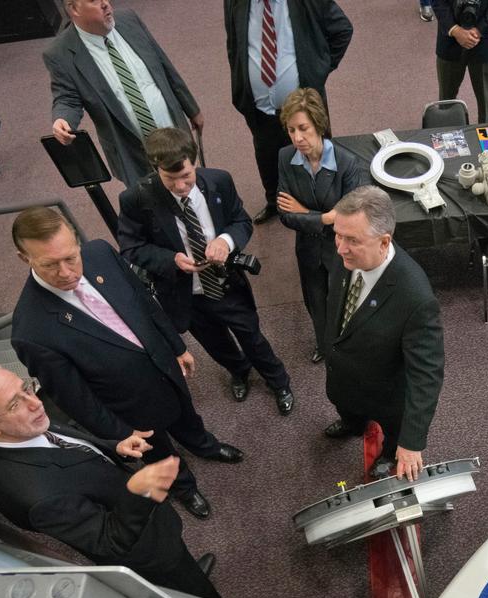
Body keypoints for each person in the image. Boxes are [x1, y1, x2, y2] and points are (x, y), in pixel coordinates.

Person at [8, 206, 245, 522]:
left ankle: (204, 445)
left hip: (164, 366)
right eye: (50, 265)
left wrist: (176, 346)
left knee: (186, 414)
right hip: (128, 407)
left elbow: (143, 300)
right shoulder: (32, 331)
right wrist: (118, 433)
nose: (67, 273)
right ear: (25, 258)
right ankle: (184, 487)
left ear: (77, 242)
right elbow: (75, 399)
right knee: (159, 453)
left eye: (70, 258)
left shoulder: (100, 253)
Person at [0, 359, 241, 598]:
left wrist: (114, 447)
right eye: (15, 403)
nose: (36, 404)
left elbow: (71, 444)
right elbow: (110, 542)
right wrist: (141, 491)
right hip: (143, 550)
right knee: (188, 596)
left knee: (183, 571)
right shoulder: (35, 497)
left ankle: (188, 575)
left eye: (26, 389)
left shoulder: (20, 427)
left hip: (154, 532)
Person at [118, 128, 294, 416]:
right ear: (155, 168)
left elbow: (241, 220)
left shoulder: (219, 181)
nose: (180, 186)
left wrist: (225, 241)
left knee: (252, 337)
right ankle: (239, 371)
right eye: (170, 179)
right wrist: (170, 259)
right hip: (185, 293)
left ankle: (279, 382)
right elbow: (130, 247)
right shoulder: (135, 199)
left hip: (226, 284)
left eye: (186, 176)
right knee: (215, 344)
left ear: (194, 162)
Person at [322, 186, 444, 481]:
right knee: (349, 412)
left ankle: (387, 453)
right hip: (344, 379)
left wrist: (411, 443)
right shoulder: (349, 257)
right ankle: (352, 424)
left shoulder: (415, 298)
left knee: (392, 434)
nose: (339, 248)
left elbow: (426, 373)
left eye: (351, 240)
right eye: (338, 235)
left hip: (386, 395)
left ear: (384, 241)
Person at [45, 0, 205, 188]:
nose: (105, 4)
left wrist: (191, 109)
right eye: (94, 0)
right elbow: (67, 97)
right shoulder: (59, 53)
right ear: (74, 9)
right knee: (152, 203)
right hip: (131, 149)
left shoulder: (129, 19)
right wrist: (62, 118)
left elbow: (163, 65)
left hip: (173, 130)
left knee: (189, 183)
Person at [223, 0, 353, 223]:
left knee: (317, 153)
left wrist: (319, 69)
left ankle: (321, 206)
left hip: (303, 106)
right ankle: (275, 202)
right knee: (266, 153)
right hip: (259, 106)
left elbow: (342, 29)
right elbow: (234, 43)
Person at [276, 87, 367, 363]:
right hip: (308, 249)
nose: (297, 137)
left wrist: (307, 212)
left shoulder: (347, 163)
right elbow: (284, 214)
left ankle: (349, 345)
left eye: (303, 128)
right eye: (291, 130)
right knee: (315, 302)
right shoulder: (284, 158)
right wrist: (326, 216)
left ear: (319, 124)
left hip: (341, 248)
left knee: (345, 300)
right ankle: (325, 345)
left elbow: (350, 217)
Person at [430, 0, 488, 124]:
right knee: (446, 99)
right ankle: (445, 134)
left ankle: (487, 140)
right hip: (450, 40)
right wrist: (455, 30)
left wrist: (480, 30)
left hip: (485, 41)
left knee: (486, 100)